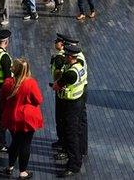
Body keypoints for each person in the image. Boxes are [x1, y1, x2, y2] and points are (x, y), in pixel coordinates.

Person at [1, 58, 43, 179]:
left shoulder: (8, 83)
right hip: (27, 119)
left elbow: (3, 100)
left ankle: (10, 167)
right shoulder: (30, 83)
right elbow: (38, 100)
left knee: (15, 142)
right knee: (25, 144)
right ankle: (23, 171)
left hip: (12, 118)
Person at [53, 43, 88, 177]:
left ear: (70, 56)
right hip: (78, 101)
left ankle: (74, 165)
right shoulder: (79, 66)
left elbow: (57, 85)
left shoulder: (71, 74)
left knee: (71, 134)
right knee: (76, 131)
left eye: (66, 55)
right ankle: (76, 157)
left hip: (71, 105)